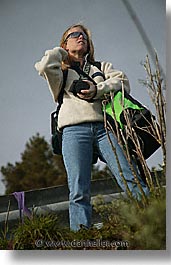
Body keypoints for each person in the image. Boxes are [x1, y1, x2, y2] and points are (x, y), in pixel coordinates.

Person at [35, 24, 149, 231]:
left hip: (105, 128)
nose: (81, 38)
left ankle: (153, 222)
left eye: (84, 36)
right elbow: (43, 66)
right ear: (65, 42)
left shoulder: (100, 67)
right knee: (79, 189)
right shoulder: (60, 72)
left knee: (130, 175)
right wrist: (63, 54)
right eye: (75, 35)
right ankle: (81, 239)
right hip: (73, 131)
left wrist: (98, 89)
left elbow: (122, 82)